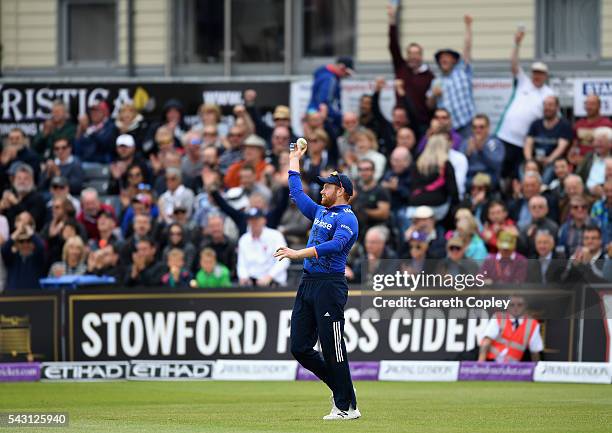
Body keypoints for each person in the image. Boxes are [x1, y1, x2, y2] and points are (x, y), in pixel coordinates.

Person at [273, 143, 360, 420]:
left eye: (327, 187)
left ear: (341, 191)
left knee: (333, 347)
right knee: (299, 347)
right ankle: (342, 388)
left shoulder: (349, 218)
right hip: (309, 283)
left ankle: (346, 407)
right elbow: (297, 194)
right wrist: (293, 159)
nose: (322, 190)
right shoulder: (321, 212)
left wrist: (298, 253)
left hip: (330, 285)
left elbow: (336, 245)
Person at [496, 28, 554, 178]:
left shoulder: (549, 93)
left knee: (517, 176)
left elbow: (552, 116)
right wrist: (517, 44)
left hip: (525, 144)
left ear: (546, 76)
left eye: (540, 73)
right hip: (504, 136)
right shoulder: (524, 82)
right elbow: (514, 64)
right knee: (500, 171)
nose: (537, 76)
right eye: (535, 72)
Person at [387, 3, 434, 134]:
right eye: (410, 54)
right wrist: (392, 21)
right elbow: (393, 46)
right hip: (401, 121)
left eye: (416, 54)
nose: (413, 57)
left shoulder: (429, 76)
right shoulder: (401, 68)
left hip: (421, 123)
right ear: (407, 55)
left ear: (421, 56)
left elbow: (431, 103)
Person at [426, 15, 475, 139]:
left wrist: (468, 26)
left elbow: (467, 48)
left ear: (454, 60)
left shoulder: (462, 71)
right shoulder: (436, 82)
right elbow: (429, 105)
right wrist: (433, 96)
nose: (443, 60)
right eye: (441, 58)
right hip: (447, 129)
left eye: (447, 57)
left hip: (467, 124)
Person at [523, 96, 572, 183]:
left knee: (549, 170)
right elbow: (528, 143)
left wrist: (549, 160)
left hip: (553, 161)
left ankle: (542, 189)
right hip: (535, 160)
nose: (547, 108)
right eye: (545, 105)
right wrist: (529, 160)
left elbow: (561, 147)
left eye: (550, 105)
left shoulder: (564, 125)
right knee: (522, 167)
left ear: (557, 107)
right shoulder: (535, 124)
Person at [478, 295, 542, 362]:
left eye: (519, 305)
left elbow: (535, 352)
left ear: (525, 306)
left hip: (513, 367)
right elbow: (486, 342)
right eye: (512, 305)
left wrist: (536, 369)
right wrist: (480, 365)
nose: (516, 308)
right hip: (492, 363)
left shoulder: (533, 324)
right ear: (507, 306)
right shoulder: (498, 317)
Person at [237, 208, 289, 287]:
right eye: (251, 220)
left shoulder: (276, 236)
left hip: (274, 284)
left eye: (257, 220)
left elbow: (283, 260)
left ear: (264, 220)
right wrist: (243, 277)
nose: (254, 223)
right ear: (248, 222)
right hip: (251, 285)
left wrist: (269, 276)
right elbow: (241, 264)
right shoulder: (244, 239)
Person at [307, 56, 354, 132]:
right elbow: (324, 103)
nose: (345, 76)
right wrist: (339, 117)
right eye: (346, 73)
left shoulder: (322, 74)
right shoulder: (330, 79)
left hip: (313, 114)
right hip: (324, 118)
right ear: (342, 67)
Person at [352, 159, 391, 241]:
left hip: (376, 227)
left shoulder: (380, 190)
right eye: (361, 170)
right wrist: (350, 198)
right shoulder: (356, 189)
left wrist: (365, 211)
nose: (364, 172)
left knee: (372, 235)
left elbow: (384, 213)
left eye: (367, 169)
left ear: (373, 171)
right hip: (358, 227)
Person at [0, 163, 46, 231]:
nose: (22, 181)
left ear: (32, 181)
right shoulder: (11, 196)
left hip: (28, 238)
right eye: (19, 178)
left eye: (26, 178)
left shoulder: (38, 199)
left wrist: (16, 203)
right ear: (14, 180)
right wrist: (1, 208)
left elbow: (30, 221)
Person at [465, 114, 505, 185]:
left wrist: (482, 150)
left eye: (481, 127)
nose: (478, 130)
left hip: (489, 175)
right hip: (470, 177)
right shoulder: (466, 142)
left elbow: (497, 164)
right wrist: (468, 153)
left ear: (488, 128)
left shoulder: (494, 142)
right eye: (475, 127)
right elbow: (459, 164)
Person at [1, 225, 45, 290]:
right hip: (14, 295)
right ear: (17, 244)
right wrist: (18, 231)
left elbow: (41, 247)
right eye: (21, 242)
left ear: (33, 243)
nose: (25, 244)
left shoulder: (37, 257)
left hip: (34, 295)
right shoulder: (12, 258)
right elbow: (4, 249)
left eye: (29, 241)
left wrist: (31, 233)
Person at [573, 94, 612, 159]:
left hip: (601, 161)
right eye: (587, 104)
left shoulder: (608, 124)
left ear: (599, 106)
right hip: (581, 162)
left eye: (592, 104)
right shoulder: (578, 124)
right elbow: (574, 145)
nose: (589, 107)